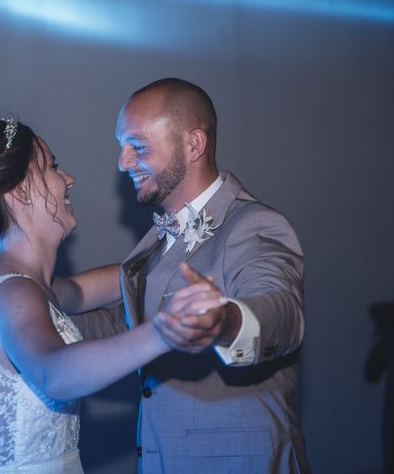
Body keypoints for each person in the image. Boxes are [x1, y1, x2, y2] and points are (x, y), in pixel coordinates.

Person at [0, 118, 176, 473]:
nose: (68, 179)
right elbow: (54, 373)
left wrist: (173, 249)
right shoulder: (13, 291)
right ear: (21, 191)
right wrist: (164, 333)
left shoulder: (31, 284)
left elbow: (97, 285)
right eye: (52, 167)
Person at [115, 78, 311, 473]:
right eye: (121, 147)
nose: (122, 163)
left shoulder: (254, 225)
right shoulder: (160, 236)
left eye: (137, 147)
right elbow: (137, 323)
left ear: (193, 145)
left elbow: (281, 312)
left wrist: (225, 320)